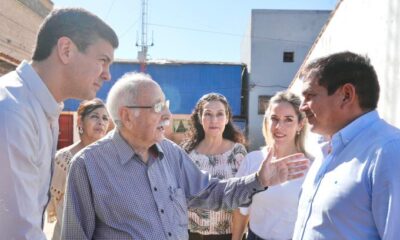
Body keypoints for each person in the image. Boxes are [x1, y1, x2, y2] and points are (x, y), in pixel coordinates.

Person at [61, 72, 310, 240]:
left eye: (166, 105)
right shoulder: (87, 166)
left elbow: (210, 193)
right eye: (158, 107)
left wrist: (259, 180)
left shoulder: (170, 153)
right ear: (127, 116)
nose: (167, 116)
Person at [0, 8, 118, 239]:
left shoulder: (43, 109)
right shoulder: (14, 111)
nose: (107, 75)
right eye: (103, 61)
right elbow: (17, 231)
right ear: (66, 50)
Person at [293, 51, 400, 239]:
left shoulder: (389, 151)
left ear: (346, 95)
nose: (302, 106)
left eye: (310, 95)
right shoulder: (327, 149)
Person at [233, 91, 308, 240]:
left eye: (288, 120)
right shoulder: (252, 160)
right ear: (267, 121)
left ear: (300, 124)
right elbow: (240, 211)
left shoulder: (310, 167)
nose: (279, 126)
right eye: (274, 118)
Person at [182, 93, 247, 240]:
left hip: (227, 235)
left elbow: (242, 202)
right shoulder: (187, 152)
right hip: (190, 234)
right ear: (199, 117)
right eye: (208, 114)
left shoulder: (237, 152)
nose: (214, 120)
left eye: (219, 114)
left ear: (227, 118)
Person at [46, 98, 111, 239]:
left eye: (105, 118)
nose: (101, 122)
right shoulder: (63, 159)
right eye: (95, 116)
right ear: (80, 121)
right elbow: (54, 202)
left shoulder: (112, 159)